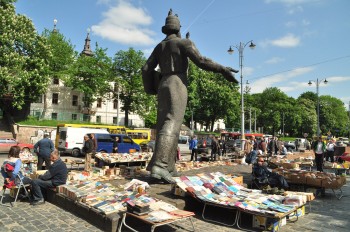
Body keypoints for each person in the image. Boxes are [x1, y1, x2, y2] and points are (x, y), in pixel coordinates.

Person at [142, 9, 238, 183]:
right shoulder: (184, 43)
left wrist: (150, 88)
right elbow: (201, 61)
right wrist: (222, 69)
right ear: (178, 28)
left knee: (165, 123)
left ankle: (169, 166)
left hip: (163, 83)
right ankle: (161, 166)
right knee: (172, 121)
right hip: (177, 82)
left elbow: (146, 69)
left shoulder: (159, 46)